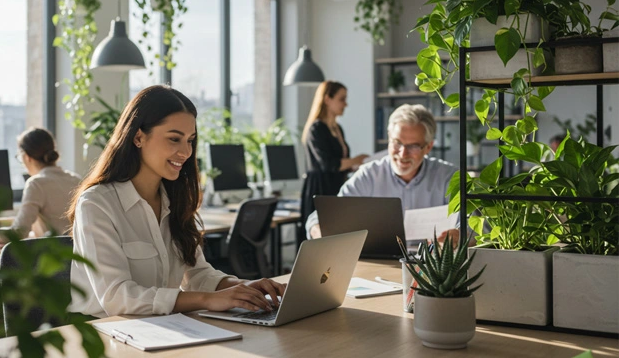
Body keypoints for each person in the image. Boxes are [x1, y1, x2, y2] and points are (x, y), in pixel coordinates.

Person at [68, 85, 285, 318]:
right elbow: (116, 297)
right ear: (138, 137)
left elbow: (198, 274)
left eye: (190, 140)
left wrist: (240, 287)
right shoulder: (96, 204)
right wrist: (209, 300)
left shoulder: (176, 199)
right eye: (174, 139)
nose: (186, 152)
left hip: (163, 329)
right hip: (105, 334)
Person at [305, 104, 462, 245]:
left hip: (432, 270)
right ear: (388, 140)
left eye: (413, 146)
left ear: (428, 147)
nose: (403, 153)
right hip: (378, 269)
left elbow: (476, 225)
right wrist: (320, 231)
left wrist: (460, 235)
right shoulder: (368, 175)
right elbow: (319, 219)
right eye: (397, 143)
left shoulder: (449, 177)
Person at [300, 80, 368, 234]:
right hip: (320, 190)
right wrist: (356, 160)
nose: (345, 104)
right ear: (327, 99)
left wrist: (357, 165)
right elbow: (328, 164)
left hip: (336, 187)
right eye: (342, 99)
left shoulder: (338, 129)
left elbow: (341, 162)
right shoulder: (316, 129)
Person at [0, 127, 80, 240]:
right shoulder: (76, 180)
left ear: (26, 157)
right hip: (75, 254)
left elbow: (19, 233)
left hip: (52, 255)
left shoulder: (36, 184)